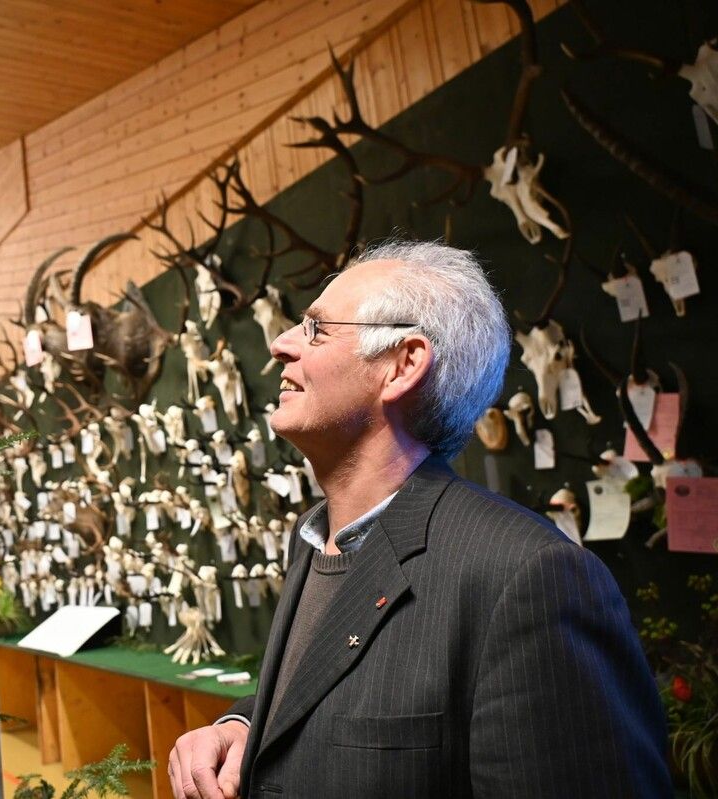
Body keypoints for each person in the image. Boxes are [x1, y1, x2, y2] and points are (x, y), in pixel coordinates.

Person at [167, 241, 670, 799]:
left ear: (402, 365)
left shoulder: (527, 575)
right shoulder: (312, 539)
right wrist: (241, 726)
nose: (282, 345)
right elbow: (335, 691)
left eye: (315, 329)